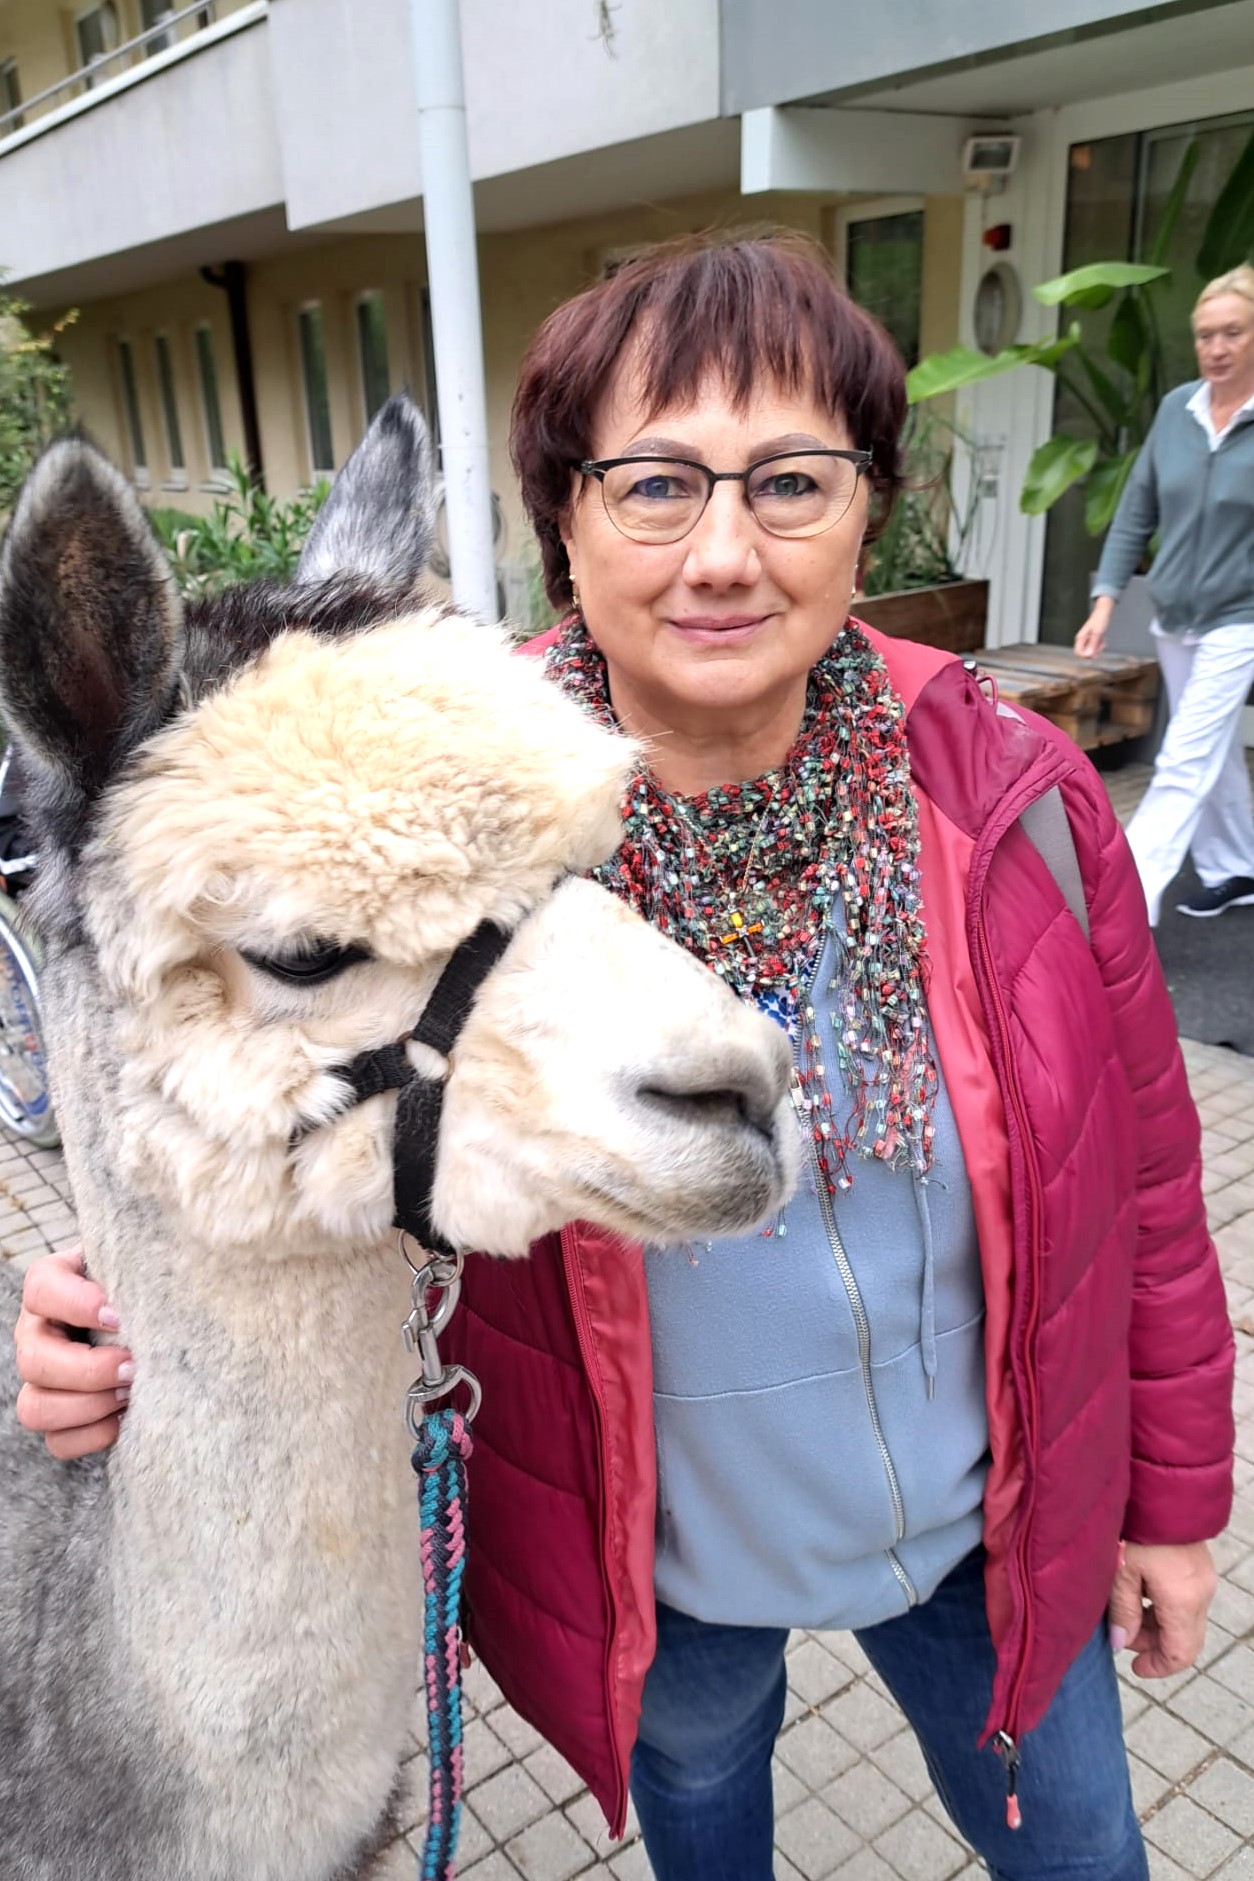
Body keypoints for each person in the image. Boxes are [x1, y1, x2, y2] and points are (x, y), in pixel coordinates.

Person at [14, 233, 1234, 1881]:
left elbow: (1147, 1186)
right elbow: (242, 1113)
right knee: (703, 1828)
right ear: (564, 520)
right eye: (654, 485)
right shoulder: (408, 820)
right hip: (663, 1582)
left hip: (989, 1540)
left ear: (866, 505)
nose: (722, 551)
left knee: (1080, 1851)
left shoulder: (1016, 801)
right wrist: (109, 1315)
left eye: (788, 481)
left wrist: (1169, 1498)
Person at [1075, 263, 1254, 925]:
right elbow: (1136, 511)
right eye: (1206, 334)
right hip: (1174, 613)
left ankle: (1122, 897)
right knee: (1214, 749)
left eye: (1233, 332)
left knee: (1183, 756)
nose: (1217, 347)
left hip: (1241, 616)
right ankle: (1236, 868)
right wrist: (1105, 601)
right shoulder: (1178, 410)